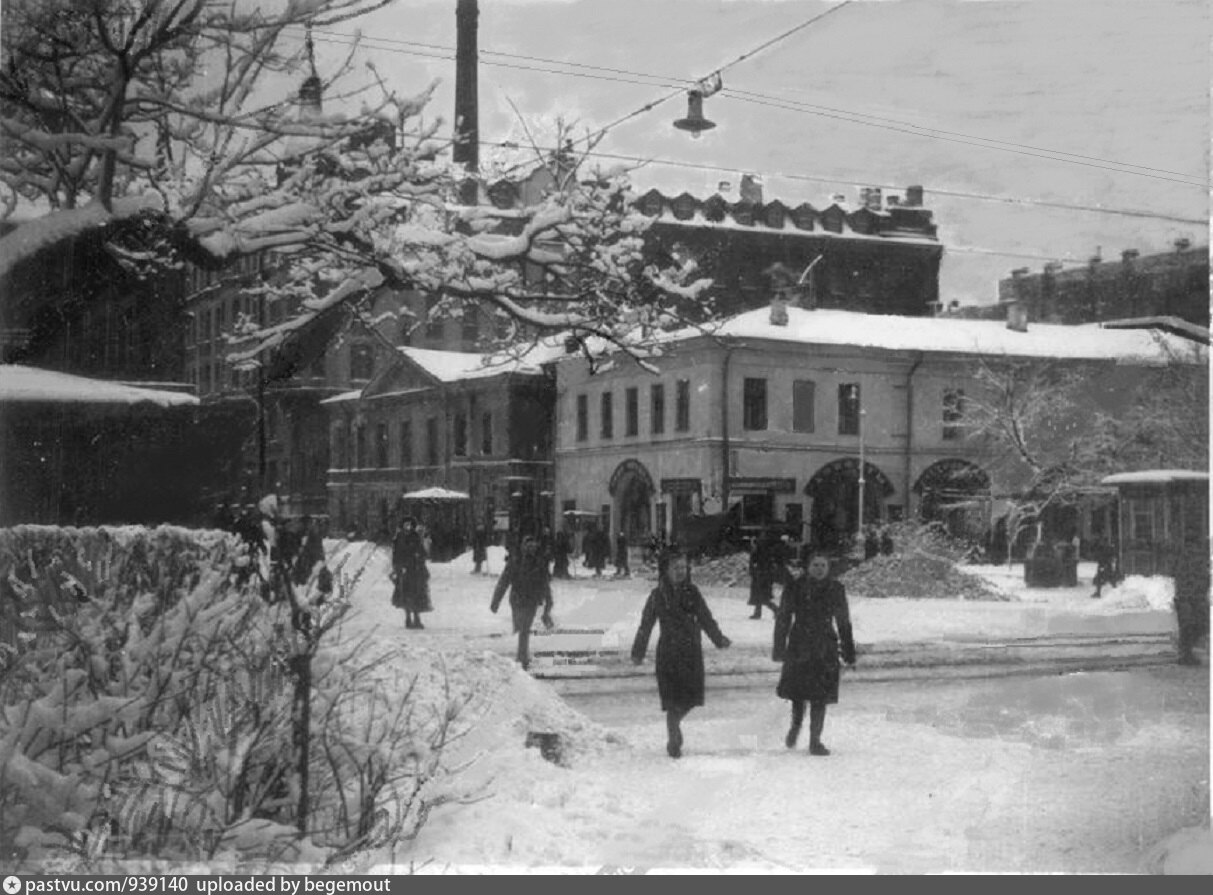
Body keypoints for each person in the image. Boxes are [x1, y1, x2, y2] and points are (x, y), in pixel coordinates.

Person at [631, 548, 732, 758]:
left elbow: (705, 617)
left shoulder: (692, 592)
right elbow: (645, 625)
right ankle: (674, 736)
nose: (680, 571)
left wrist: (718, 638)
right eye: (675, 568)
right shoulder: (657, 595)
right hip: (668, 652)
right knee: (672, 699)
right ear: (665, 570)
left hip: (691, 652)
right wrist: (638, 652)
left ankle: (674, 723)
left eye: (683, 567)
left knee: (690, 698)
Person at [772, 553, 856, 756]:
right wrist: (779, 647)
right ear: (808, 567)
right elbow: (783, 617)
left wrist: (848, 650)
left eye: (823, 565)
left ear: (828, 568)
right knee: (798, 693)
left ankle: (815, 741)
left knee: (820, 695)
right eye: (815, 565)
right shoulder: (795, 587)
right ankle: (796, 725)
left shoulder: (835, 589)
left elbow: (843, 621)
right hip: (800, 644)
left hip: (825, 646)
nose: (819, 569)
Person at [490, 533, 554, 671]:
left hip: (530, 600)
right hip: (518, 599)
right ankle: (522, 654)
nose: (531, 549)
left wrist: (548, 604)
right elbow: (504, 581)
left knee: (524, 629)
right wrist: (495, 601)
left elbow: (545, 584)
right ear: (523, 547)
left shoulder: (539, 563)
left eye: (533, 546)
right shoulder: (516, 561)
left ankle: (522, 658)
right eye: (528, 546)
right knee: (521, 627)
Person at [1171, 540, 1210, 667]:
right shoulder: (1189, 564)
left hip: (1193, 599)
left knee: (1196, 626)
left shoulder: (1195, 564)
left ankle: (1186, 652)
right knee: (1189, 627)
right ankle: (1185, 654)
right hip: (1187, 599)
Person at [391, 517, 431, 629]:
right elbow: (396, 554)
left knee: (417, 594)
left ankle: (417, 618)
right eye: (406, 524)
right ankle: (408, 617)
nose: (408, 527)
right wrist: (397, 567)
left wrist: (419, 557)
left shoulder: (416, 537)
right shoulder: (399, 537)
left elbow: (422, 552)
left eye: (409, 525)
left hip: (415, 570)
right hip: (404, 570)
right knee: (405, 595)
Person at [747, 533, 779, 620]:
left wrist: (756, 571)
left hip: (762, 576)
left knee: (762, 597)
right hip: (760, 576)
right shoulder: (760, 552)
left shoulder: (760, 553)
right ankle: (758, 613)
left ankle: (776, 610)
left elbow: (758, 563)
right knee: (759, 596)